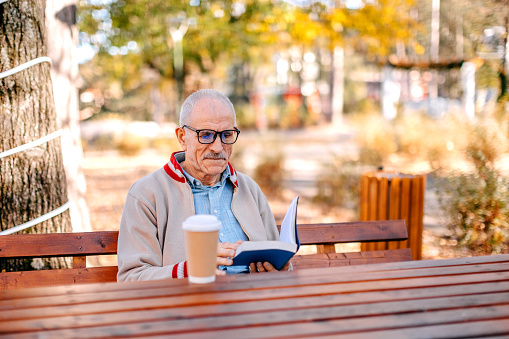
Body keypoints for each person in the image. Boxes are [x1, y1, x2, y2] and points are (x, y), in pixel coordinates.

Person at [117, 89, 290, 282]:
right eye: (206, 135)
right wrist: (190, 270)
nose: (217, 147)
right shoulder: (147, 194)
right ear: (182, 137)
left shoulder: (248, 188)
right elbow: (131, 278)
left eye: (226, 134)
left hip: (253, 305)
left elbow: (280, 263)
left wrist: (278, 270)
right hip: (187, 308)